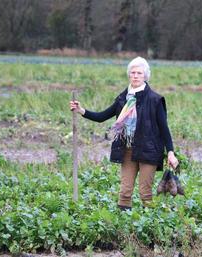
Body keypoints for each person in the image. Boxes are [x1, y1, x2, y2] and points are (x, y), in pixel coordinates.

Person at [70, 56, 178, 211]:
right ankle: (124, 226)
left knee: (145, 193)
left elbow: (164, 129)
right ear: (129, 75)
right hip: (127, 150)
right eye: (132, 72)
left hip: (149, 150)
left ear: (145, 76)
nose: (135, 76)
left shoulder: (155, 100)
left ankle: (150, 226)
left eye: (139, 73)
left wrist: (170, 153)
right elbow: (102, 116)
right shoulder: (123, 98)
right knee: (125, 192)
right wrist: (81, 110)